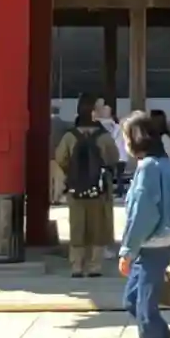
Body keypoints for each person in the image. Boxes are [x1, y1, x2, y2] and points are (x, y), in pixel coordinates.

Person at [116, 111, 170, 338]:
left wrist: (127, 250)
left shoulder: (147, 168)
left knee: (144, 308)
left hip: (151, 245)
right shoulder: (167, 163)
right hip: (167, 241)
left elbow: (142, 215)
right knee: (133, 300)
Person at [53, 94, 116, 277]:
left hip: (76, 189)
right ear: (93, 112)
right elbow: (113, 157)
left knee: (77, 226)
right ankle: (95, 265)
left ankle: (77, 266)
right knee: (98, 227)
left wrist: (73, 171)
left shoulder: (70, 136)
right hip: (100, 190)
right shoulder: (104, 136)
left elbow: (60, 158)